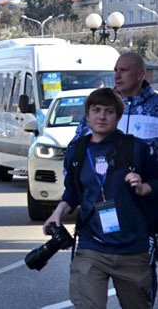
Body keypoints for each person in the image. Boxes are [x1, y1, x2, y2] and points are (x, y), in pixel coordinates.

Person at [45, 88, 158, 309]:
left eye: (109, 111)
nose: (102, 116)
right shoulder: (76, 152)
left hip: (132, 250)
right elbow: (73, 192)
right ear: (87, 115)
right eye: (96, 110)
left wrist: (145, 187)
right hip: (91, 247)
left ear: (118, 116)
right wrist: (57, 212)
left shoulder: (136, 148)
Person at [75, 52, 158, 301]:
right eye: (115, 70)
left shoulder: (155, 108)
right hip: (102, 208)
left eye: (123, 70)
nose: (117, 75)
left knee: (140, 289)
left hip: (145, 209)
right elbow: (79, 150)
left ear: (140, 74)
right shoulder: (104, 107)